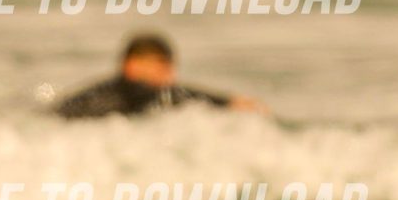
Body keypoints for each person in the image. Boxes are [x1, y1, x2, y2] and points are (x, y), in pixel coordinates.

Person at [53, 33, 265, 119]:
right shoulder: (129, 92)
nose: (170, 76)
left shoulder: (98, 92)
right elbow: (173, 94)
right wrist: (226, 102)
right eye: (162, 67)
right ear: (133, 65)